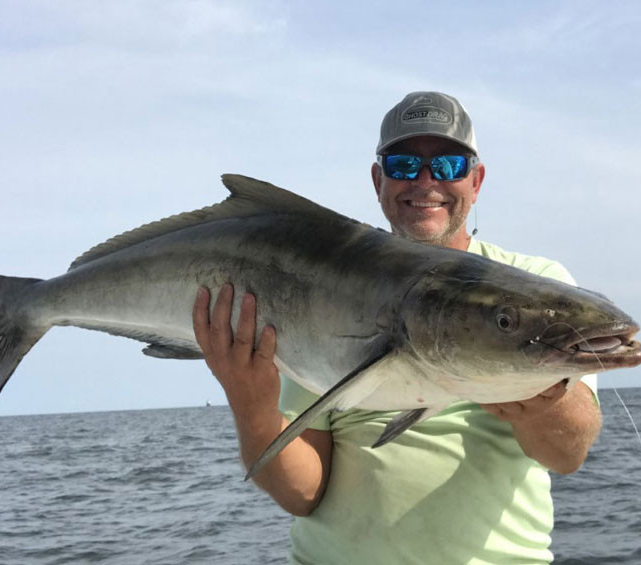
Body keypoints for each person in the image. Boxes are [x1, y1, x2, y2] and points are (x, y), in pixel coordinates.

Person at [193, 92, 602, 564]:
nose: (426, 181)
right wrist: (251, 405)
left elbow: (567, 455)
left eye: (448, 165)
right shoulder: (326, 288)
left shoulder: (541, 287)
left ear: (476, 181)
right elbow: (302, 494)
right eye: (404, 164)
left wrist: (540, 392)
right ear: (378, 180)